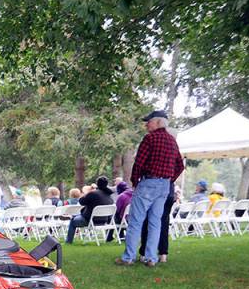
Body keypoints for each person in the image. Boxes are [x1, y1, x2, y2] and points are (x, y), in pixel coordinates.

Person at [117, 110, 184, 267]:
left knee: (136, 221)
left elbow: (139, 162)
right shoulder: (172, 141)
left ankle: (128, 257)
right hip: (164, 186)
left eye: (149, 121)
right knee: (156, 222)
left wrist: (135, 181)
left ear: (158, 122)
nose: (146, 124)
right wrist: (169, 179)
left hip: (148, 183)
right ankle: (151, 258)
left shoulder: (149, 138)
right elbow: (180, 165)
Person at [66, 176, 114, 244]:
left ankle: (68, 241)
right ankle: (108, 238)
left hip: (90, 220)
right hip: (104, 220)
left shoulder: (93, 194)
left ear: (97, 184)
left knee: (73, 221)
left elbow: (81, 201)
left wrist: (86, 193)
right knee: (76, 217)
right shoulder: (109, 195)